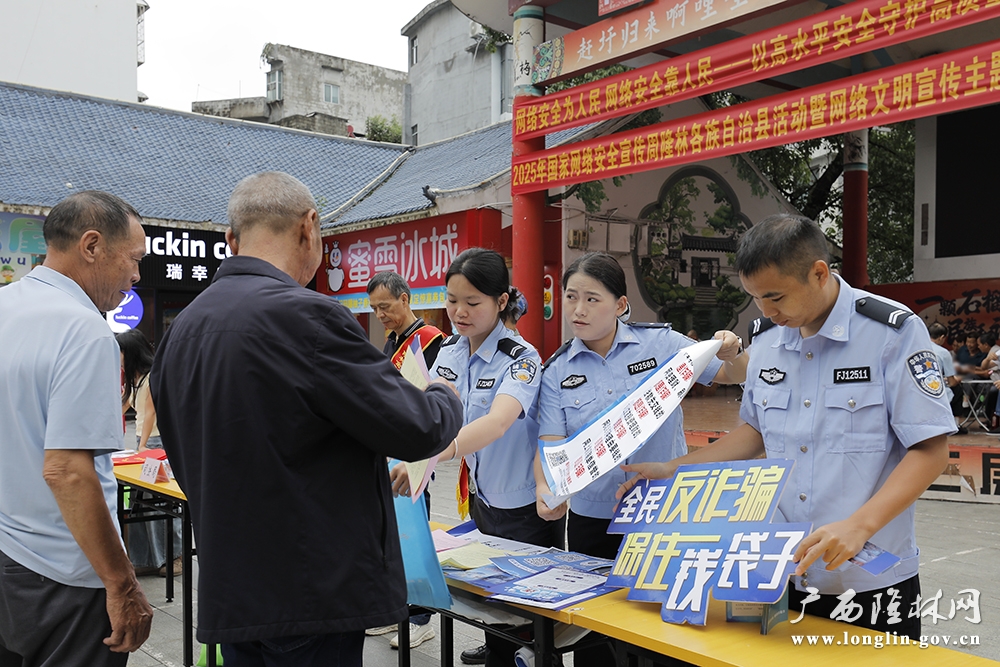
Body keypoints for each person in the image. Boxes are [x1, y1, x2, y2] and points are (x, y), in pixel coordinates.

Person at [149, 172, 463, 666]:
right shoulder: (308, 317)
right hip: (310, 594)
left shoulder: (183, 327)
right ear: (310, 226)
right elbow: (417, 426)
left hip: (231, 587)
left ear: (232, 240)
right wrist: (445, 392)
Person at [618, 214, 954, 640]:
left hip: (870, 582)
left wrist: (860, 526)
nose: (766, 311)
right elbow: (755, 432)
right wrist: (674, 468)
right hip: (783, 574)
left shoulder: (891, 333)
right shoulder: (769, 339)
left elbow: (930, 450)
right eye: (755, 298)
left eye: (775, 296)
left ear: (818, 272)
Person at [534, 252, 745, 667]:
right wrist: (547, 489)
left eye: (592, 299)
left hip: (663, 511)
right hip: (594, 518)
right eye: (571, 297)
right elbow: (551, 444)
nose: (578, 309)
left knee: (665, 629)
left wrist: (732, 350)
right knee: (595, 636)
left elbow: (730, 374)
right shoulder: (556, 370)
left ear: (621, 305)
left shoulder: (662, 344)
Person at [0, 191, 153, 664]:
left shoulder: (6, 305)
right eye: (134, 258)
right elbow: (67, 470)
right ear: (91, 246)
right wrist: (121, 582)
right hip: (64, 573)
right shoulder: (84, 331)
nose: (137, 275)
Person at [390, 247, 563, 667]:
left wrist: (436, 451)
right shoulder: (449, 351)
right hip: (483, 500)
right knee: (494, 610)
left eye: (472, 302)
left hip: (524, 507)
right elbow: (433, 406)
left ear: (501, 302)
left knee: (532, 623)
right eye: (451, 301)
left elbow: (498, 423)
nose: (459, 312)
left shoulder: (522, 359)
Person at [364, 271, 444, 649]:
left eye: (385, 306)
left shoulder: (430, 341)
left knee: (415, 531)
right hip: (386, 446)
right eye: (375, 309)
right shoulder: (392, 342)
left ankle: (421, 616)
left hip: (413, 451)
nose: (380, 315)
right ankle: (395, 608)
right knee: (391, 533)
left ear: (405, 299)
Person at [116, 328, 184, 577]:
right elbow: (123, 406)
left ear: (131, 351)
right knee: (140, 503)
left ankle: (175, 557)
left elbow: (150, 413)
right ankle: (146, 558)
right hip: (144, 445)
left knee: (162, 502)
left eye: (120, 351)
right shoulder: (133, 379)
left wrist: (142, 446)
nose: (118, 356)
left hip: (156, 445)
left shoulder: (153, 376)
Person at [927, 322, 966, 434]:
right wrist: (957, 379)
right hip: (935, 390)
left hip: (917, 388)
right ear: (942, 337)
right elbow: (952, 382)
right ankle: (955, 424)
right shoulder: (943, 352)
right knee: (957, 389)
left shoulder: (915, 349)